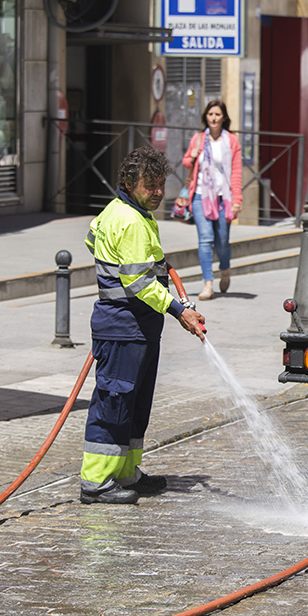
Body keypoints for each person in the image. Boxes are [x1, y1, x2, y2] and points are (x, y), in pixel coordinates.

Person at [80, 146, 206, 505]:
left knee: (135, 405)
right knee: (115, 404)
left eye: (160, 184)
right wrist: (179, 309)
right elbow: (138, 284)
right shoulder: (132, 221)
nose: (157, 192)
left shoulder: (119, 212)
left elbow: (92, 238)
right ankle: (97, 482)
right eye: (149, 185)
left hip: (136, 328)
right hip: (123, 326)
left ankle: (126, 472)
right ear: (129, 183)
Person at [181, 99, 243, 301]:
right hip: (200, 194)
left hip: (223, 196)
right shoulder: (199, 138)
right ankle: (208, 284)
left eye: (217, 114)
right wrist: (193, 156)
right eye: (210, 114)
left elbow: (236, 172)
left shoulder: (231, 141)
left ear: (223, 117)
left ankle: (225, 270)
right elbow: (187, 162)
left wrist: (236, 199)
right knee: (205, 240)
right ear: (205, 117)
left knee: (223, 242)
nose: (214, 118)